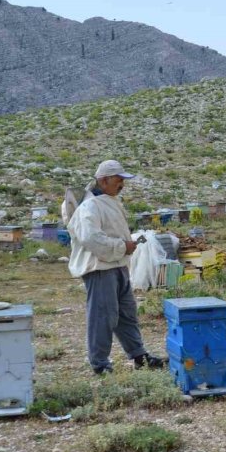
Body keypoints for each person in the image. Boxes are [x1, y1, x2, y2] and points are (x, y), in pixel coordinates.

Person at [67, 159, 166, 375]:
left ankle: (139, 356)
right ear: (103, 180)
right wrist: (123, 246)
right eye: (118, 179)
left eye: (123, 180)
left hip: (118, 266)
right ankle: (100, 364)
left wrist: (124, 249)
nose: (122, 184)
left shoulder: (108, 201)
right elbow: (91, 238)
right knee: (103, 317)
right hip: (100, 268)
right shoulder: (89, 207)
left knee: (126, 314)